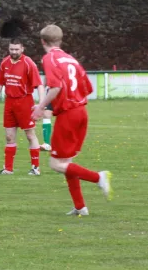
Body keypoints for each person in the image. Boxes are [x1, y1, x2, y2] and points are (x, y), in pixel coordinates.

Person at [31, 25, 112, 216]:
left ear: (43, 41)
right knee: (67, 162)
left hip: (69, 114)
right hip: (81, 111)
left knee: (55, 164)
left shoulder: (49, 58)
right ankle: (80, 207)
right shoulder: (71, 59)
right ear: (60, 40)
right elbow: (87, 88)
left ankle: (98, 177)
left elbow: (56, 87)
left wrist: (40, 106)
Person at [0, 38, 45, 175]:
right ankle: (8, 169)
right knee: (9, 136)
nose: (14, 52)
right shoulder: (5, 62)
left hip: (25, 101)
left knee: (30, 135)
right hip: (9, 103)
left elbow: (39, 85)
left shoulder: (28, 63)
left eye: (16, 49)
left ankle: (35, 168)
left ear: (22, 49)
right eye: (11, 49)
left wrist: (41, 105)